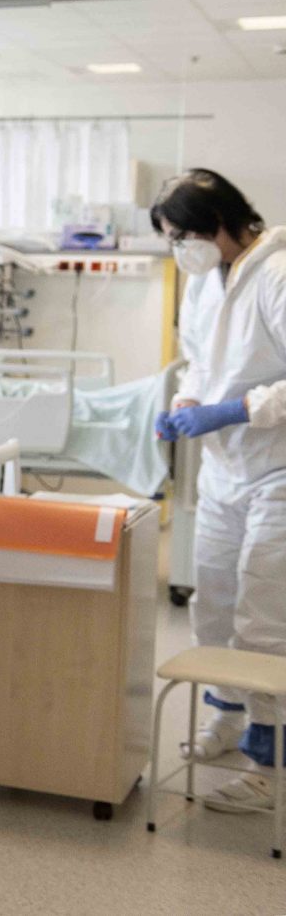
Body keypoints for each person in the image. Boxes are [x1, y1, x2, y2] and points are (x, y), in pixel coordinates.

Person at [152, 168, 286, 812]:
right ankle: (227, 718)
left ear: (220, 224)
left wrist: (234, 410)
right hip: (224, 470)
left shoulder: (279, 273)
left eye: (182, 236)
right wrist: (187, 402)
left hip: (278, 472)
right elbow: (199, 360)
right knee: (212, 601)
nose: (179, 249)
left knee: (264, 614)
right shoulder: (207, 280)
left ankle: (268, 762)